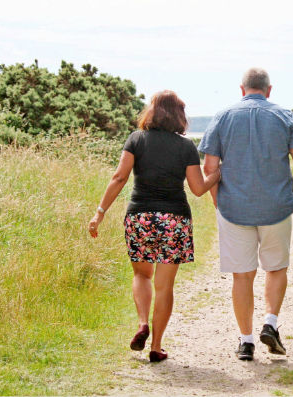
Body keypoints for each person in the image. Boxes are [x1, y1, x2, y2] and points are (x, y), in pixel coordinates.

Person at [88, 90, 220, 363]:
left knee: (141, 276)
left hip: (141, 217)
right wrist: (216, 174)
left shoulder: (136, 139)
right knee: (165, 286)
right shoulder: (185, 147)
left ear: (152, 111)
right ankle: (156, 346)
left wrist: (99, 213)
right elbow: (197, 189)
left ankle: (141, 323)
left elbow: (119, 177)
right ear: (180, 115)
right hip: (174, 220)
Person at [198, 68, 293, 361]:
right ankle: (270, 322)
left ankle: (246, 341)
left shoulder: (223, 116)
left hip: (233, 208)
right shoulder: (285, 116)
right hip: (276, 207)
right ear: (269, 89)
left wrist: (218, 201)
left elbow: (210, 168)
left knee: (242, 276)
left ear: (242, 89)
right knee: (276, 268)